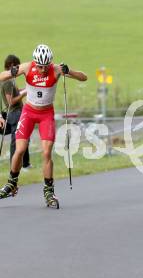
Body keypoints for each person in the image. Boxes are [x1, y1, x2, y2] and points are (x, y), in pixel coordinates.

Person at [0, 44, 87, 206]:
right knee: (19, 150)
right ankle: (12, 184)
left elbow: (84, 77)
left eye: (45, 66)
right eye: (39, 66)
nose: (42, 70)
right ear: (35, 63)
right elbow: (2, 76)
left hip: (46, 114)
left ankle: (48, 191)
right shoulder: (27, 67)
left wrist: (70, 71)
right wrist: (11, 73)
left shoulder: (56, 69)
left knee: (46, 153)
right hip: (28, 112)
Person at [0, 55, 31, 168]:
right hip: (15, 113)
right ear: (12, 65)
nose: (19, 69)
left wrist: (25, 89)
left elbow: (15, 93)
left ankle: (25, 164)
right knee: (16, 141)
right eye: (17, 66)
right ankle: (15, 165)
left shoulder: (8, 80)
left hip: (17, 113)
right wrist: (24, 93)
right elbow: (10, 102)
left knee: (23, 138)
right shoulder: (7, 82)